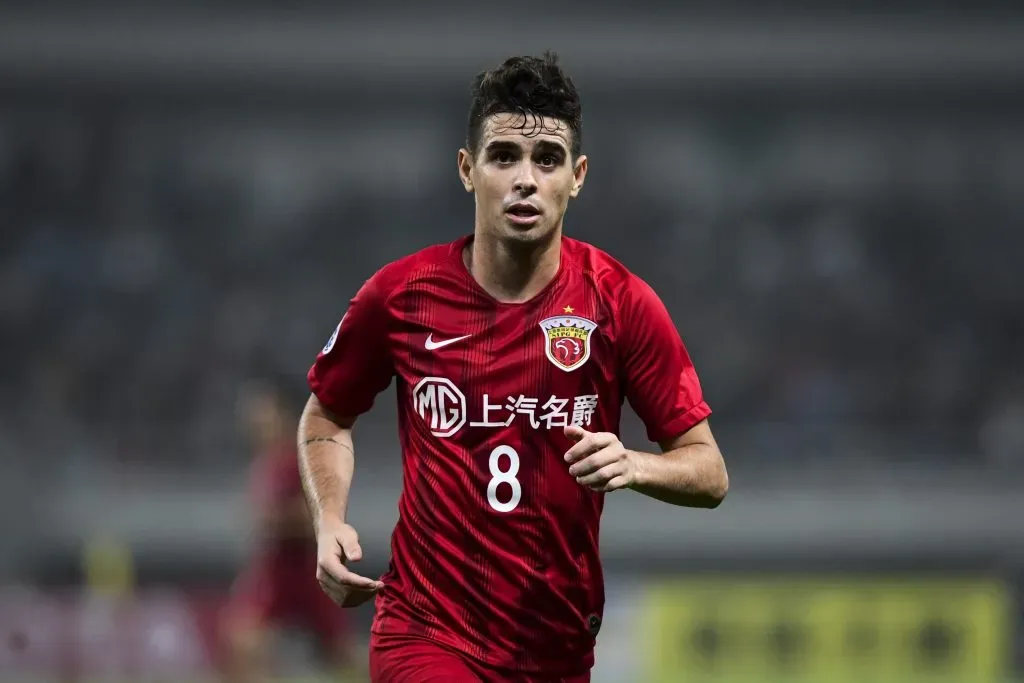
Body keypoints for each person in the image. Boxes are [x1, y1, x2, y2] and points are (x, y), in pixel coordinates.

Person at [299, 52, 729, 683]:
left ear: (577, 176)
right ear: (468, 169)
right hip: (427, 632)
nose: (525, 178)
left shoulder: (622, 302)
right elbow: (325, 417)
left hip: (556, 647)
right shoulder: (400, 296)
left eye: (546, 159)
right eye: (504, 156)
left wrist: (636, 464)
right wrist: (328, 518)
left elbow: (710, 470)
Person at [222, 377, 353, 682]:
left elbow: (319, 514)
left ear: (281, 413)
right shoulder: (266, 462)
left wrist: (273, 519)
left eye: (262, 409)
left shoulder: (302, 456)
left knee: (339, 655)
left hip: (307, 567)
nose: (254, 417)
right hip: (276, 568)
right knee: (242, 641)